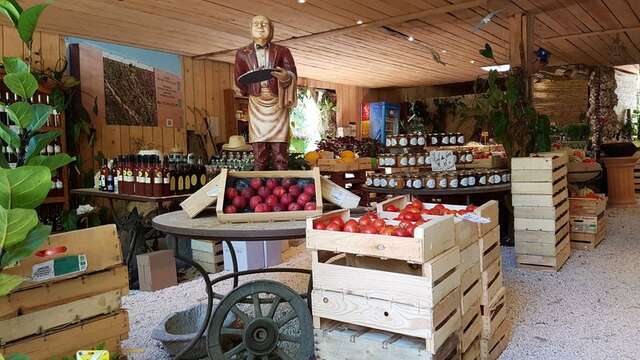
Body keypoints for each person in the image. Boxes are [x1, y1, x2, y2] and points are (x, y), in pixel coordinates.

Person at [234, 15, 297, 170]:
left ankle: (282, 187)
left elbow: (292, 74)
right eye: (256, 24)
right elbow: (238, 79)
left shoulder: (282, 51)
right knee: (259, 152)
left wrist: (285, 77)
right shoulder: (242, 53)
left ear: (272, 29)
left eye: (264, 24)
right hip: (256, 103)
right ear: (250, 28)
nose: (260, 26)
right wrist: (245, 86)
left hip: (277, 103)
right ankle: (259, 185)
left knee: (280, 153)